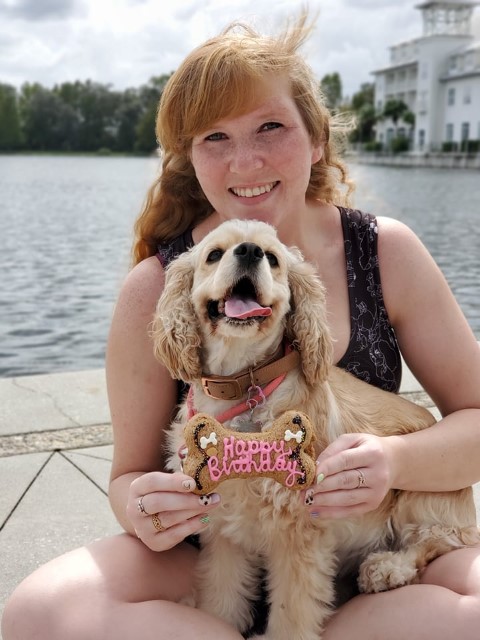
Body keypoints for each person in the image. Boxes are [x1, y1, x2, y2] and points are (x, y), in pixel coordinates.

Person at [3, 11, 480, 640]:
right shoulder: (159, 283)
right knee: (35, 614)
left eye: (270, 127)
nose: (245, 161)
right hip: (209, 555)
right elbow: (127, 478)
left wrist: (393, 461)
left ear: (316, 139)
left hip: (370, 553)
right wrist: (142, 506)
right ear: (189, 157)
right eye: (215, 137)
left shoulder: (384, 251)